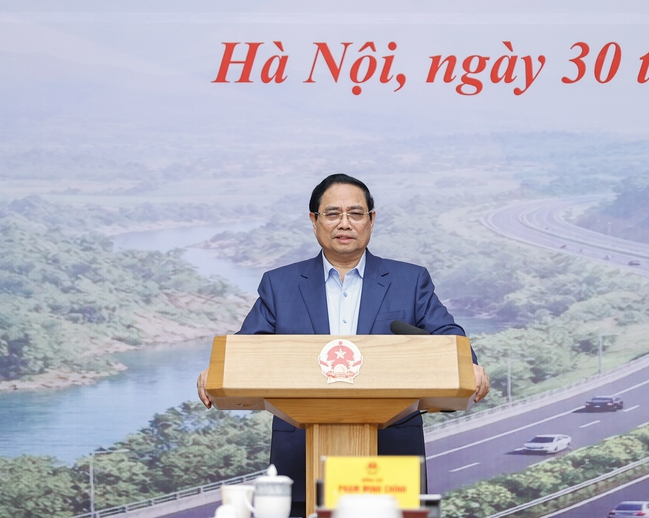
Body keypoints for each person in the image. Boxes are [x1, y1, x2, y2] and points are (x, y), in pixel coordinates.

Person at [197, 173, 490, 517]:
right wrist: (218, 371)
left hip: (391, 457)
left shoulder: (410, 281)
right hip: (301, 456)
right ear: (314, 220)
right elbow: (248, 350)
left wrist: (467, 364)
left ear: (371, 219)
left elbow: (448, 335)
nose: (345, 223)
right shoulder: (280, 285)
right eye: (333, 214)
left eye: (356, 213)